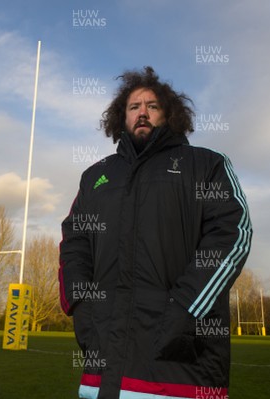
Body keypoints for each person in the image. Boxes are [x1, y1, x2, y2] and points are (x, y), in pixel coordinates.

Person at [59, 66, 252, 399]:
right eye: (134, 107)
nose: (143, 113)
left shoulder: (206, 164)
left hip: (180, 373)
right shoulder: (96, 176)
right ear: (122, 117)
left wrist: (184, 309)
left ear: (170, 114)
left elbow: (233, 234)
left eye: (152, 106)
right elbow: (74, 244)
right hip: (102, 369)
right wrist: (81, 306)